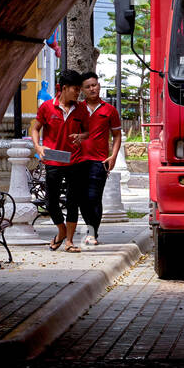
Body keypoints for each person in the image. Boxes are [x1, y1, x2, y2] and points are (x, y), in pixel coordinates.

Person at [31, 70, 88, 251]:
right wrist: (38, 147)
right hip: (54, 160)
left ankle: (69, 241)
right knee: (50, 202)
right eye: (75, 89)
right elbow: (35, 129)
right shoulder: (47, 107)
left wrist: (81, 136)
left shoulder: (80, 109)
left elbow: (87, 132)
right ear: (64, 88)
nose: (78, 93)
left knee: (73, 201)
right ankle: (61, 230)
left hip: (75, 161)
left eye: (79, 89)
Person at [71, 73, 123, 248]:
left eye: (95, 85)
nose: (93, 88)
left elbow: (116, 135)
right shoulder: (77, 109)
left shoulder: (110, 110)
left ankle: (92, 232)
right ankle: (90, 228)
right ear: (82, 91)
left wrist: (113, 156)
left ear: (99, 86)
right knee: (82, 199)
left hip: (99, 161)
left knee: (94, 197)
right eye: (88, 86)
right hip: (77, 160)